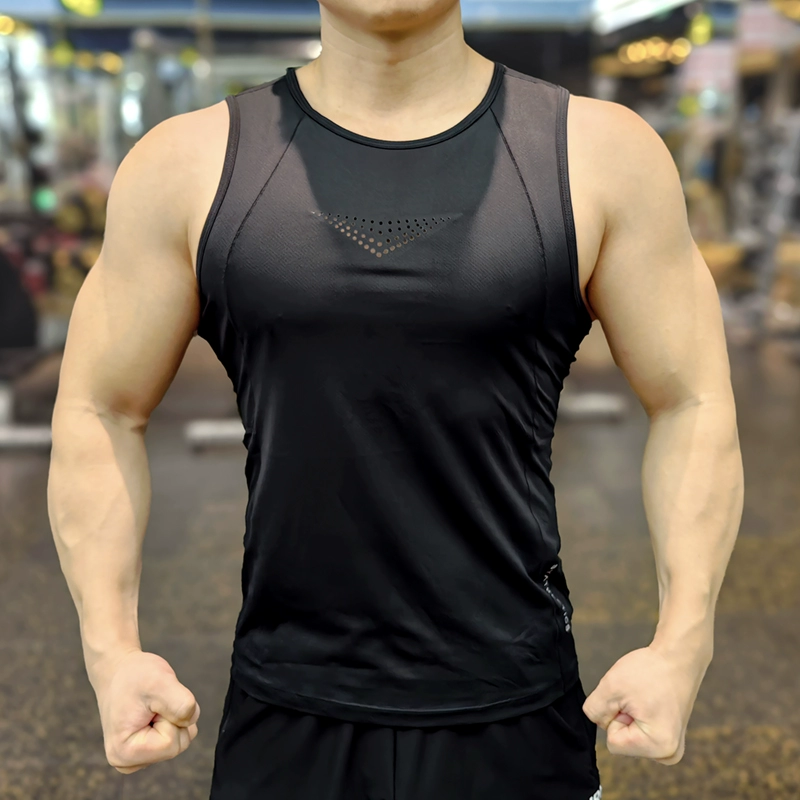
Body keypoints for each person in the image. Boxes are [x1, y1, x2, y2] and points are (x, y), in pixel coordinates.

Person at [47, 1, 744, 798]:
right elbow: (100, 407)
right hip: (287, 711)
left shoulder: (601, 154)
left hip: (516, 706)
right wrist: (110, 654)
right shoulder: (186, 163)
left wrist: (683, 646)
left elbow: (693, 400)